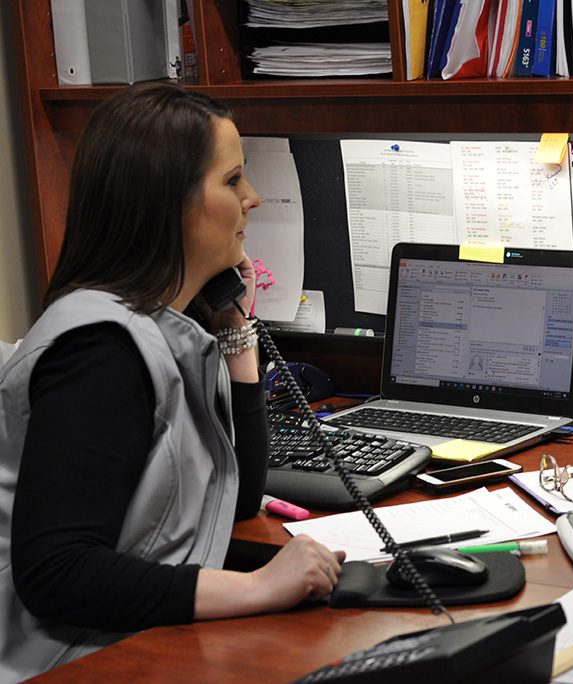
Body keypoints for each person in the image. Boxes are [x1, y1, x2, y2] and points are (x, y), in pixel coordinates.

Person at [0, 82, 345, 682]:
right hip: (68, 661)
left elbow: (232, 503)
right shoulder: (101, 351)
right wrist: (260, 587)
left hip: (128, 643)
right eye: (233, 180)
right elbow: (56, 572)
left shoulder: (166, 330)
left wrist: (238, 334)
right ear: (168, 202)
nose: (254, 198)